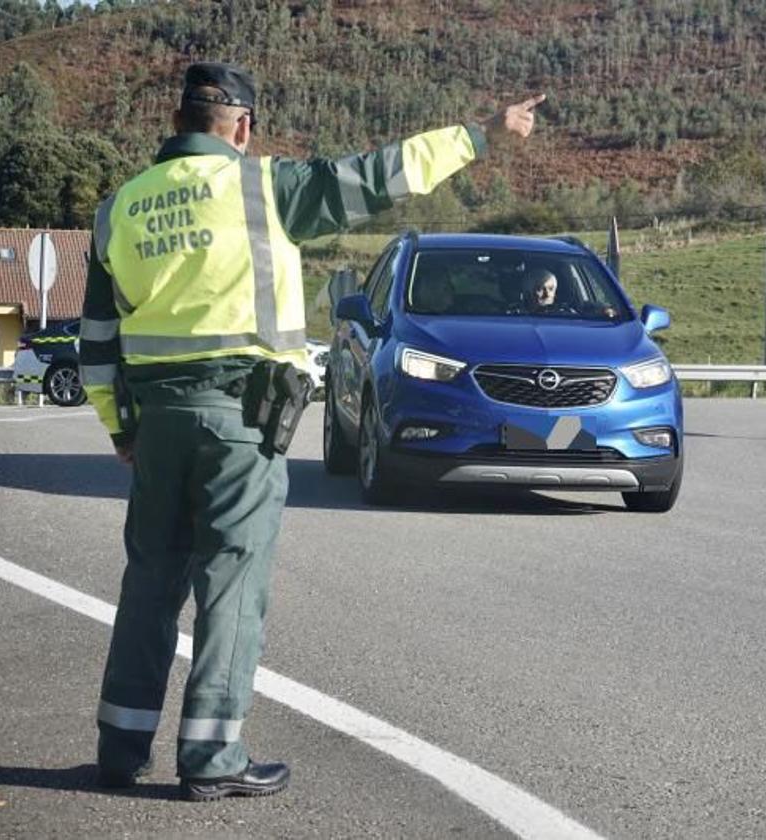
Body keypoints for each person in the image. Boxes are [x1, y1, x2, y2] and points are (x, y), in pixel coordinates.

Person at [79, 61, 543, 802]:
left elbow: (96, 345)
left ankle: (119, 750)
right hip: (242, 420)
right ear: (243, 126)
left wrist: (119, 431)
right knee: (229, 586)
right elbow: (382, 173)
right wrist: (480, 136)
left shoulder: (119, 209)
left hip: (157, 425)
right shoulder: (266, 188)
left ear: (178, 121)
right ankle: (212, 760)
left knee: (149, 585)